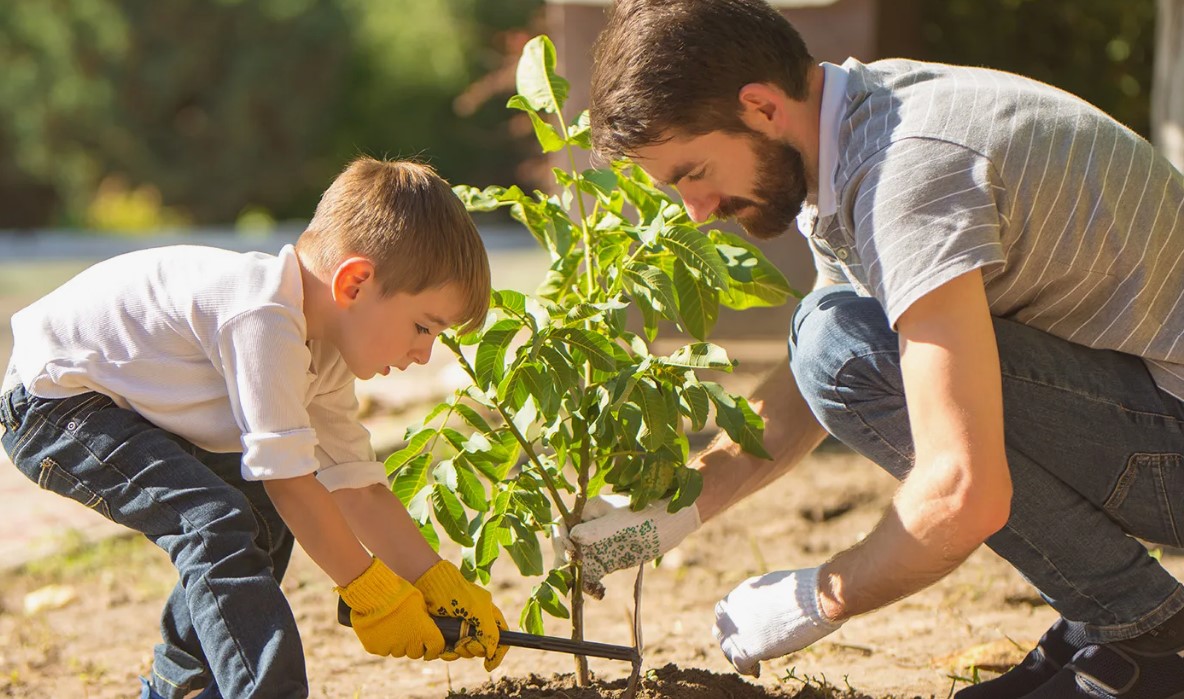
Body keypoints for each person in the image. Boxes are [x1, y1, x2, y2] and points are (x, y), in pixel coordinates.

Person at [564, 0, 1184, 696]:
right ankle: (1117, 620)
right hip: (1153, 407)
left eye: (692, 173)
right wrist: (670, 511)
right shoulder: (857, 119)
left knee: (839, 342)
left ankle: (1147, 635)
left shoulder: (906, 175)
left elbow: (961, 486)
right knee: (828, 332)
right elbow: (817, 375)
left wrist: (818, 596)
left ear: (761, 107)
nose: (698, 212)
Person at [0, 157, 508, 699]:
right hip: (54, 403)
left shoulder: (327, 351)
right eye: (422, 327)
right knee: (212, 523)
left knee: (259, 516)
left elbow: (355, 487)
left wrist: (435, 582)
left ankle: (181, 687)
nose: (424, 352)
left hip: (125, 406)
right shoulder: (262, 314)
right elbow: (289, 481)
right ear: (356, 282)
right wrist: (373, 594)